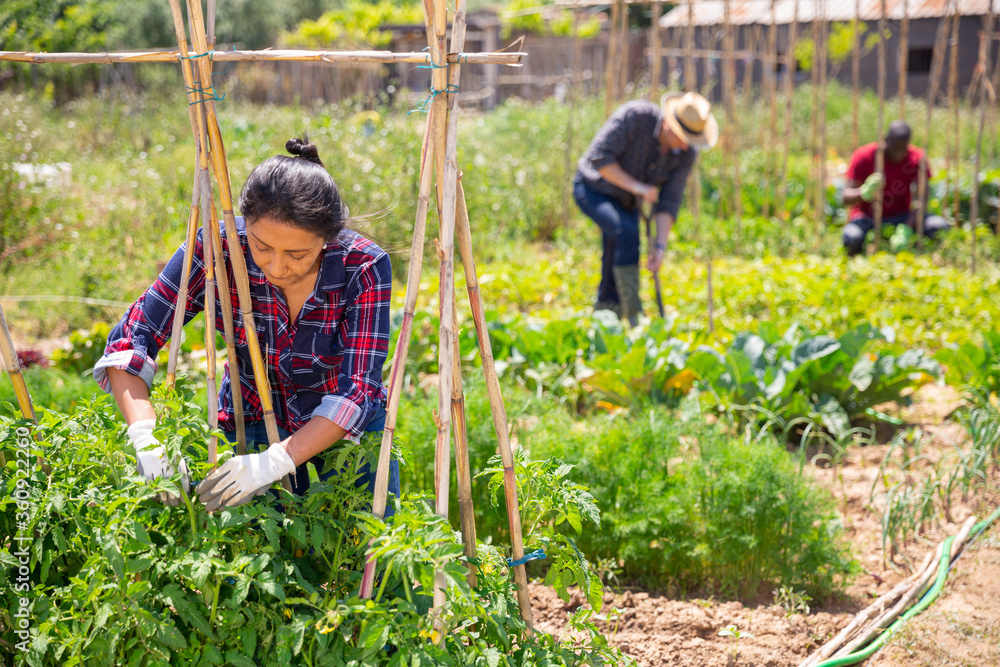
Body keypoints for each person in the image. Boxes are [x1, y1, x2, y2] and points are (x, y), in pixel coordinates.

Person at [94, 138, 399, 514]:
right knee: (261, 552)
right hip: (250, 414)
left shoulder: (363, 267)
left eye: (297, 254)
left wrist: (275, 462)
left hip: (340, 430)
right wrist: (145, 436)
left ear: (327, 239)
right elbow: (131, 339)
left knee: (366, 547)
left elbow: (358, 391)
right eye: (262, 246)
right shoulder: (219, 249)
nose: (276, 266)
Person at [574, 91, 717, 325]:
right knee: (626, 232)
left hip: (626, 201)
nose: (684, 145)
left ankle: (606, 313)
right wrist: (639, 188)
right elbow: (599, 159)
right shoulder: (636, 116)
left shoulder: (685, 154)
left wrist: (659, 246)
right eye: (682, 138)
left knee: (620, 240)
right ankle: (632, 315)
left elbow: (670, 200)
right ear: (669, 125)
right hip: (592, 188)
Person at [842, 120, 949, 255]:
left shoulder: (916, 159)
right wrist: (864, 192)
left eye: (903, 149)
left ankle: (917, 249)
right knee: (852, 238)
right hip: (867, 218)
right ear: (885, 139)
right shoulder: (864, 156)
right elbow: (845, 198)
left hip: (901, 217)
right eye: (895, 148)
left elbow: (923, 200)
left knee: (938, 226)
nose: (899, 154)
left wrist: (906, 227)